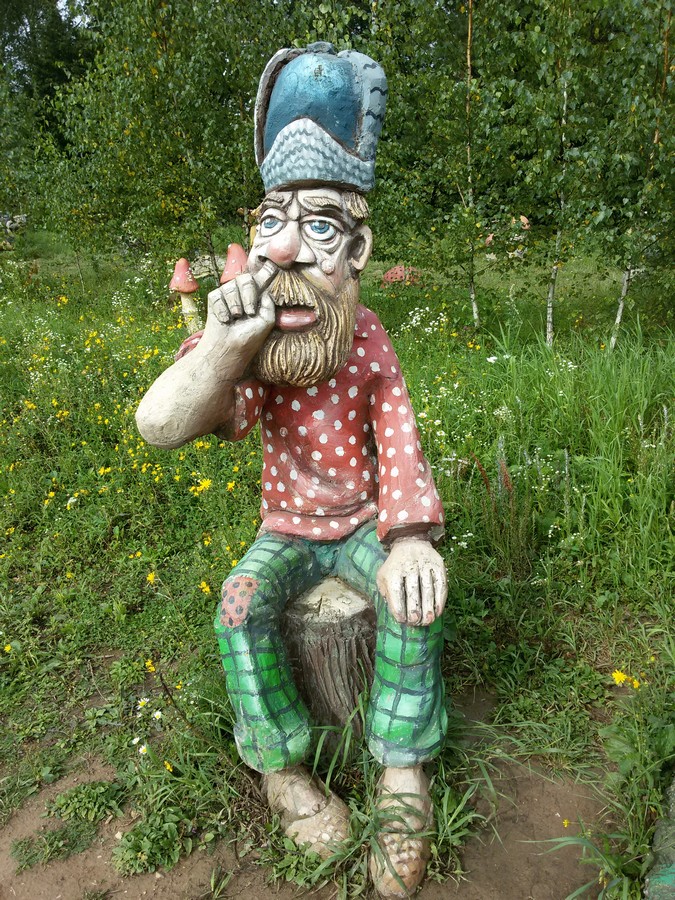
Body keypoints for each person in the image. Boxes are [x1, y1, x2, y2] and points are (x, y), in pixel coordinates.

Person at [136, 44, 448, 899]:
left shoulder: (367, 338)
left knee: (408, 600)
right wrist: (223, 350)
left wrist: (410, 537)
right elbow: (160, 425)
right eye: (273, 221)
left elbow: (399, 439)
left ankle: (401, 769)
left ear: (358, 247)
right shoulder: (255, 343)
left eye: (319, 228)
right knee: (238, 607)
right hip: (287, 531)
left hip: (360, 526)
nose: (284, 250)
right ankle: (282, 770)